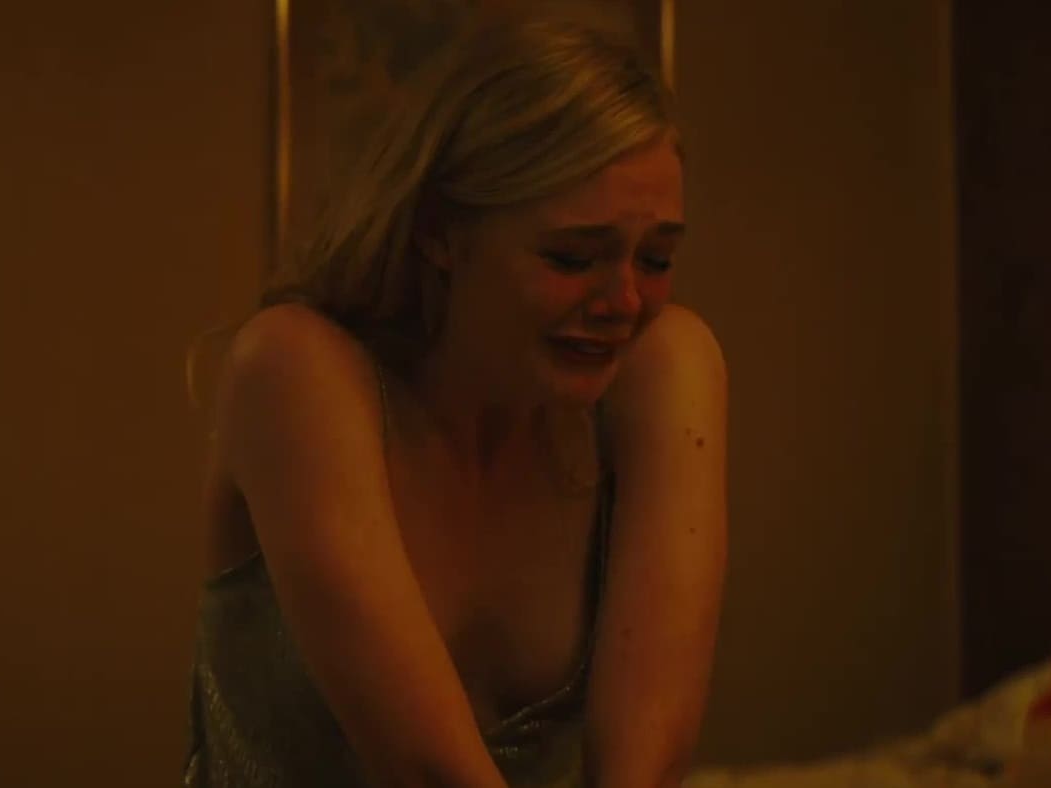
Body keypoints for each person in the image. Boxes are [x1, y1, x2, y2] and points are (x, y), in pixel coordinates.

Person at [184, 7, 727, 787]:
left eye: (657, 258)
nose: (626, 302)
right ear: (439, 232)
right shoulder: (297, 369)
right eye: (573, 257)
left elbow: (646, 767)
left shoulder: (663, 367)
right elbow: (429, 771)